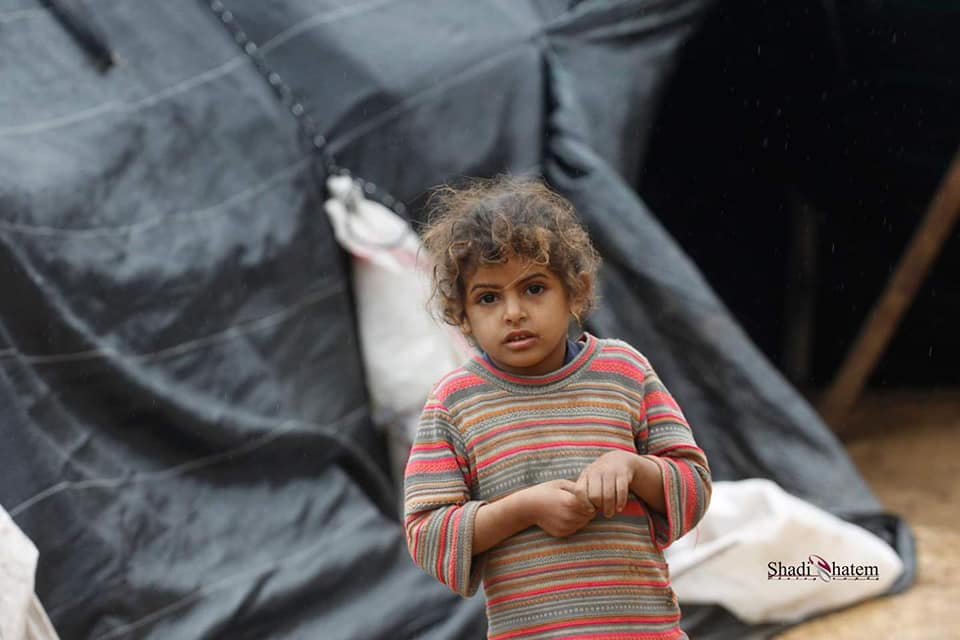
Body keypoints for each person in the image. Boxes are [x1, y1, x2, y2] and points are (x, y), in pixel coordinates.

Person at [404, 176, 712, 640]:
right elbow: (427, 535)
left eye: (534, 288)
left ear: (576, 291)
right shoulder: (455, 403)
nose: (513, 312)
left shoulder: (623, 372)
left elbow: (694, 488)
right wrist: (523, 509)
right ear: (461, 316)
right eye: (488, 297)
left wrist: (632, 468)